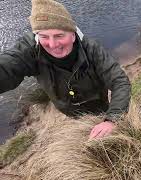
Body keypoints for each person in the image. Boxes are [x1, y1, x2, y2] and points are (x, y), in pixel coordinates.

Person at [0, 0, 131, 139]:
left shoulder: (91, 49)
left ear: (73, 34)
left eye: (59, 36)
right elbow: (9, 65)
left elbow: (120, 81)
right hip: (69, 110)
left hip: (98, 104)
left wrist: (111, 120)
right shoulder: (30, 50)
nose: (52, 44)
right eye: (44, 36)